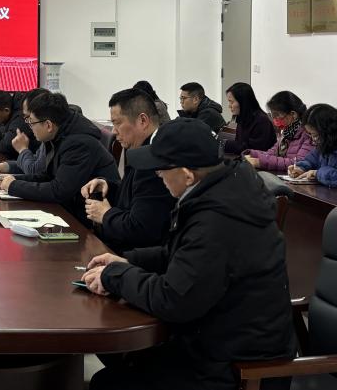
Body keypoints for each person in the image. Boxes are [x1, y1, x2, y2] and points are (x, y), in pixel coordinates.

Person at [83, 118, 295, 390]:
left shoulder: (217, 220)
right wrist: (127, 260)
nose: (157, 175)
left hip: (238, 367)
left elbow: (173, 298)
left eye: (161, 169)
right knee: (120, 363)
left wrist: (116, 276)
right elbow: (182, 254)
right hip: (213, 340)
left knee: (109, 383)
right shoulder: (220, 193)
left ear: (186, 175)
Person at [0, 92, 118, 219]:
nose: (30, 127)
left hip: (90, 218)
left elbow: (59, 191)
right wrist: (14, 179)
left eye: (31, 122)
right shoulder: (59, 133)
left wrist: (14, 186)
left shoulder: (78, 143)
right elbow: (47, 176)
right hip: (73, 206)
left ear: (48, 125)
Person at [80, 89, 175, 252]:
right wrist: (108, 186)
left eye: (117, 123)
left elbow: (141, 229)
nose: (113, 131)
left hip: (135, 256)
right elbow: (136, 195)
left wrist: (105, 215)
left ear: (142, 120)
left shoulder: (155, 161)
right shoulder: (142, 149)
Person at [0, 88, 50, 176]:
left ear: (48, 124)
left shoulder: (63, 143)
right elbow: (35, 162)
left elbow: (36, 172)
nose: (27, 123)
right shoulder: (47, 140)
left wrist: (23, 150)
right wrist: (6, 166)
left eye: (29, 118)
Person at [244, 91, 314, 173]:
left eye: (277, 115)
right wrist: (250, 154)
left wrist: (259, 162)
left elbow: (298, 163)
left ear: (293, 114)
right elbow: (271, 153)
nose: (274, 120)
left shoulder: (309, 134)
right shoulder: (287, 133)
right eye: (273, 116)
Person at [222, 82, 276, 154]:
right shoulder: (239, 118)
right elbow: (235, 141)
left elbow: (253, 149)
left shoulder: (262, 121)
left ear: (243, 102)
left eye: (231, 102)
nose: (229, 106)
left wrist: (226, 144)